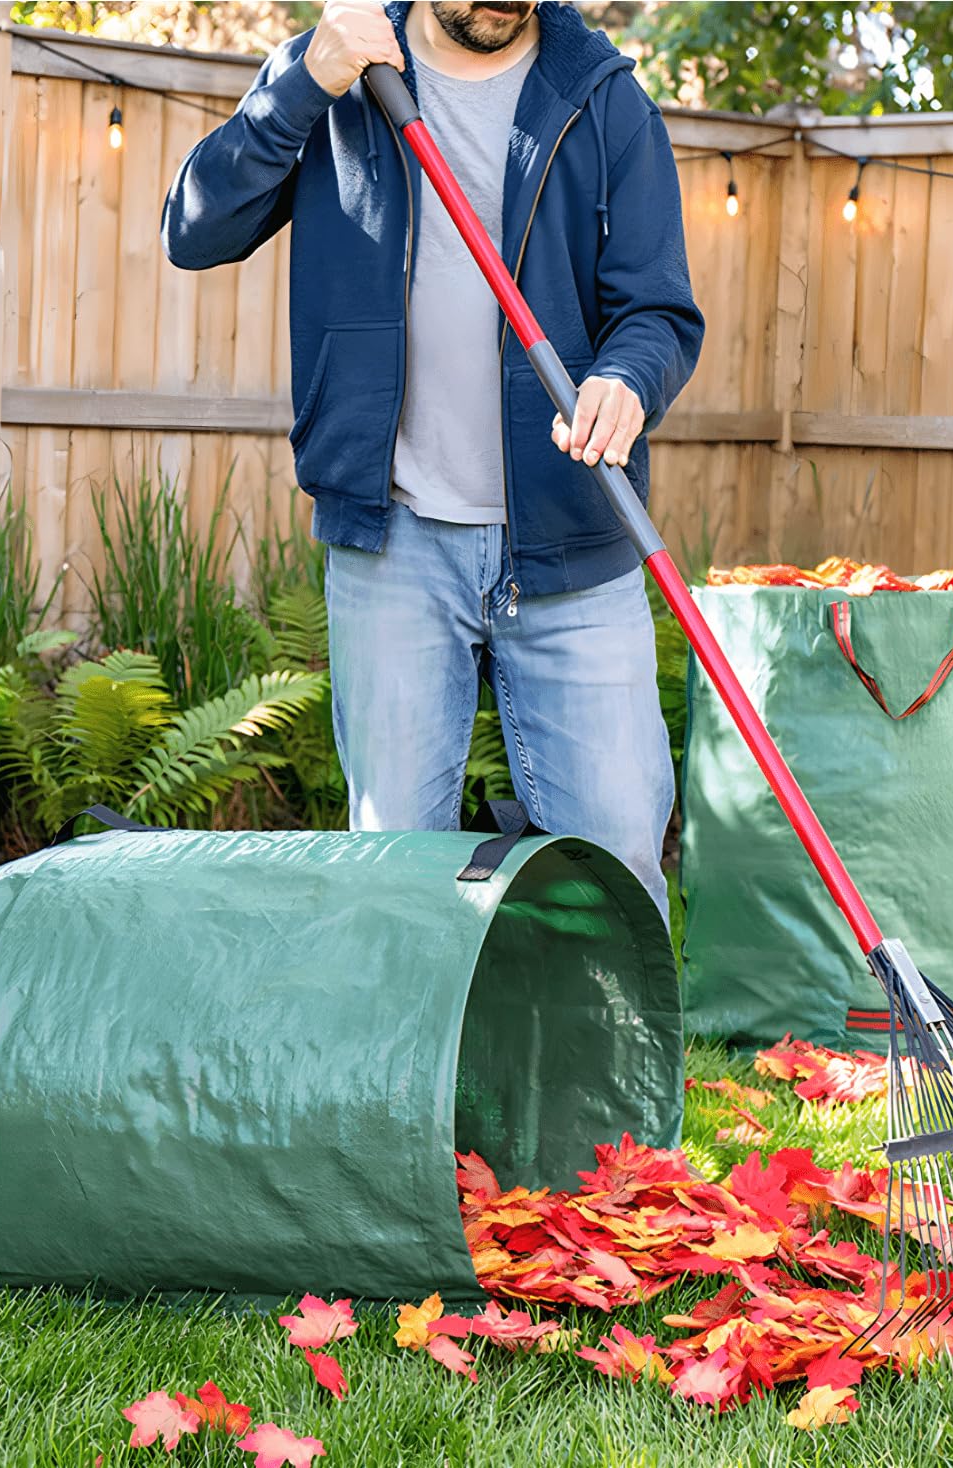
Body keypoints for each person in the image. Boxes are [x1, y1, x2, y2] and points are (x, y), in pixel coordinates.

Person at [162, 0, 703, 921]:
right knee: (391, 872)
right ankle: (405, 1068)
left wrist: (626, 378)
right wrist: (299, 87)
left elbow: (659, 309)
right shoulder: (340, 74)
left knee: (619, 861)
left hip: (573, 542)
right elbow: (195, 227)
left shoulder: (603, 97)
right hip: (395, 543)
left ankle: (596, 1065)